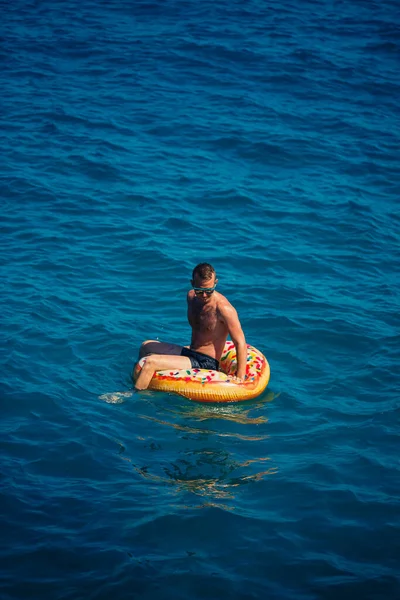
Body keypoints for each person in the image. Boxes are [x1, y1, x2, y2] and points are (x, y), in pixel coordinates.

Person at [135, 263, 247, 390]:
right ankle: (140, 380)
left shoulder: (224, 310)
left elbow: (240, 342)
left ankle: (131, 395)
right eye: (200, 291)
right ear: (192, 283)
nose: (204, 295)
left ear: (215, 283)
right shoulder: (191, 298)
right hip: (190, 352)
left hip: (206, 362)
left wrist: (240, 377)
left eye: (208, 291)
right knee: (146, 346)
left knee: (151, 362)